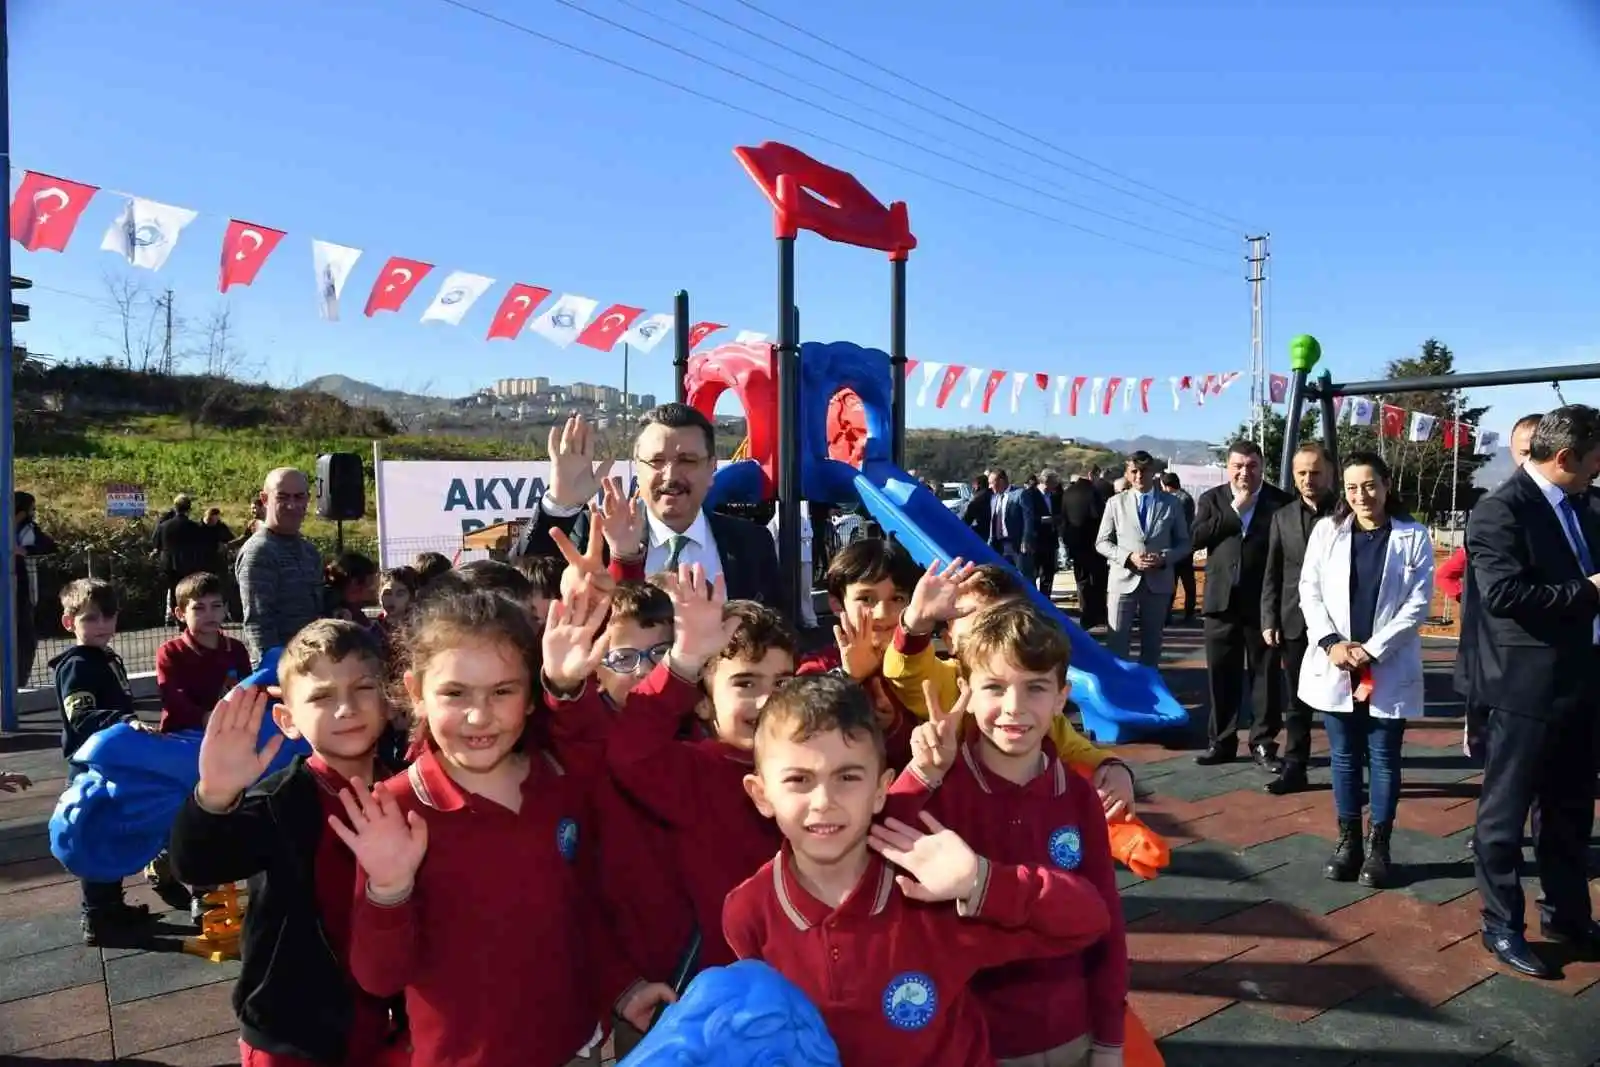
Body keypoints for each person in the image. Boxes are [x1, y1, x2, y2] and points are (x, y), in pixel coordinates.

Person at [338, 588, 675, 1066]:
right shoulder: (393, 809)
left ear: (531, 697)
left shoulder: (558, 784)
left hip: (574, 1051)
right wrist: (389, 889)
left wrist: (623, 989)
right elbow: (378, 977)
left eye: (503, 691)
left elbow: (579, 916)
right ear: (415, 694)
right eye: (455, 693)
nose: (479, 716)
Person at [721, 673, 1112, 1067]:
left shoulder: (928, 891)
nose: (824, 800)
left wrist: (981, 882)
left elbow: (1089, 920)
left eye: (847, 777)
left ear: (880, 790)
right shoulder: (748, 912)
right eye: (799, 780)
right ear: (761, 794)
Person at [890, 603, 1128, 1066]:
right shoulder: (941, 789)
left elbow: (1108, 929)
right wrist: (920, 776)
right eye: (995, 687)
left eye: (1035, 688)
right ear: (966, 692)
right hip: (973, 1044)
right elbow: (871, 850)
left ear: (1061, 698)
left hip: (1071, 1038)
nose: (1014, 708)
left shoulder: (1078, 798)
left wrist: (1110, 1041)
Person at [167, 621, 407, 1067]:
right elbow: (196, 864)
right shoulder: (281, 801)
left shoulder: (406, 790)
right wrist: (214, 796)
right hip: (291, 1028)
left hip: (384, 1022)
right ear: (288, 719)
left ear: (389, 700)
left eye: (362, 688)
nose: (345, 708)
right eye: (321, 696)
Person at [1464, 405, 1600, 978]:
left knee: (1569, 813)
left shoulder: (1588, 507)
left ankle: (1566, 913)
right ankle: (1502, 924)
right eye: (1595, 461)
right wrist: (1589, 591)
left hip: (1581, 685)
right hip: (1522, 692)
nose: (1599, 472)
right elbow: (1507, 598)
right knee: (1504, 817)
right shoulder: (1500, 512)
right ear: (1565, 458)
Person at [604, 583, 797, 972]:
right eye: (745, 683)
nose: (767, 700)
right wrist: (684, 662)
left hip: (815, 978)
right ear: (704, 702)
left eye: (782, 684)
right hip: (731, 989)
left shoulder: (817, 763)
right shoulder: (695, 771)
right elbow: (631, 753)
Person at [883, 561, 1136, 821]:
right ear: (950, 641)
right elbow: (907, 672)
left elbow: (1074, 748)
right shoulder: (950, 679)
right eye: (981, 628)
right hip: (953, 816)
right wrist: (916, 624)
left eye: (1006, 626)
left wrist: (1112, 766)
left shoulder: (1034, 707)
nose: (998, 640)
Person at [1296, 452, 1434, 889]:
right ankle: (1348, 842)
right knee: (1342, 757)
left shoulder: (1413, 536)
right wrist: (1331, 643)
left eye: (1370, 485)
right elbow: (1309, 590)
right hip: (1336, 662)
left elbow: (1417, 603)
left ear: (1387, 484)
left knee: (1384, 757)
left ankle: (1379, 847)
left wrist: (1372, 650)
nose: (1361, 495)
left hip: (1386, 664)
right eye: (1352, 487)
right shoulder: (1327, 532)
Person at [516, 407, 783, 606]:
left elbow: (777, 633)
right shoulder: (593, 534)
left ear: (712, 467)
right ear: (637, 467)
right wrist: (561, 504)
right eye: (656, 461)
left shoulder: (752, 542)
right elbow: (518, 587)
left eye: (687, 460)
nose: (670, 476)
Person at [49, 578, 152, 944]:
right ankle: (96, 915)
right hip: (90, 764)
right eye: (91, 618)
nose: (102, 625)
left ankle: (110, 905)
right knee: (93, 834)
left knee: (109, 831)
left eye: (108, 616)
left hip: (111, 758)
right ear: (69, 622)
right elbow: (81, 716)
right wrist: (123, 721)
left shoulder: (106, 657)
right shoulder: (76, 664)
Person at [1446, 413, 1540, 762]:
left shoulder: (1574, 509)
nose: (1532, 460)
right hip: (1495, 656)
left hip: (1546, 664)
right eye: (1526, 451)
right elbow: (1453, 575)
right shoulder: (1497, 510)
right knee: (1503, 774)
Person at [1191, 440, 1292, 767]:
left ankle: (1263, 743)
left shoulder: (1281, 502)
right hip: (1221, 602)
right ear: (1228, 467)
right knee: (1221, 676)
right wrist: (1237, 510)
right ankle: (1221, 741)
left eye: (1251, 466)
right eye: (1238, 466)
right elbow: (1198, 538)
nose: (1244, 472)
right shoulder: (1213, 499)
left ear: (1262, 467)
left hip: (1262, 605)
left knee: (1265, 677)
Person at [796, 538, 923, 769]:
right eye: (866, 599)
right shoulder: (818, 665)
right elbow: (797, 723)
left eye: (897, 599)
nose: (883, 613)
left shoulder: (919, 663)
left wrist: (894, 725)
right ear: (837, 604)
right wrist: (848, 676)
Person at [1259, 444, 1337, 795]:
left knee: (1348, 699)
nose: (1309, 479)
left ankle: (1353, 767)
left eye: (1316, 472)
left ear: (1330, 473)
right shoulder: (1282, 516)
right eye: (1302, 473)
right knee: (1297, 702)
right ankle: (1295, 767)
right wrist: (1268, 617)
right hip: (1294, 621)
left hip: (1340, 623)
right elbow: (1273, 572)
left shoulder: (1347, 512)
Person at [1095, 451, 1191, 667]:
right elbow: (1101, 542)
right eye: (1134, 471)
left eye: (1144, 471)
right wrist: (1128, 557)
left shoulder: (1171, 504)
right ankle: (1119, 693)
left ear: (1154, 473)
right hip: (1122, 581)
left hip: (1158, 582)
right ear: (1128, 474)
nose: (1139, 476)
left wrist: (1164, 558)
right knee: (1117, 643)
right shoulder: (1115, 503)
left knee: (1152, 645)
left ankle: (1149, 694)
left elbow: (1185, 543)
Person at [237, 469, 324, 662]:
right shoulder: (259, 552)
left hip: (311, 665)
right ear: (265, 499)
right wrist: (277, 673)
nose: (292, 505)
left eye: (299, 497)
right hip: (282, 674)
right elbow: (258, 623)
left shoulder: (309, 552)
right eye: (282, 497)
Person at [155, 572, 253, 734]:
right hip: (183, 736)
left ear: (225, 609)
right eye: (199, 608)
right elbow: (173, 698)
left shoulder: (236, 648)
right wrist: (206, 718)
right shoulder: (170, 652)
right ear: (180, 614)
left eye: (216, 606)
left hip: (229, 730)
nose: (209, 614)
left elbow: (247, 688)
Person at [153, 495, 220, 624]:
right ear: (189, 508)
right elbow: (203, 545)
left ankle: (175, 618)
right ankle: (187, 618)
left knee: (173, 591)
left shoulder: (164, 526)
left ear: (175, 507)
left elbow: (156, 543)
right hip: (189, 564)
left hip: (168, 564)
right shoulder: (194, 527)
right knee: (188, 592)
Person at [14, 490, 56, 686]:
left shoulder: (28, 528)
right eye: (31, 508)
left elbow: (49, 545)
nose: (33, 512)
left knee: (25, 636)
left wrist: (26, 551)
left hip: (22, 589)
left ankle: (19, 681)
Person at [1061, 471, 1108, 629]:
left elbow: (1063, 519)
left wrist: (1067, 541)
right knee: (1098, 580)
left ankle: (1085, 612)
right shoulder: (1092, 492)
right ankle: (1098, 613)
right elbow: (1098, 516)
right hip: (1093, 543)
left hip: (1075, 543)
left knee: (1081, 580)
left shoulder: (1067, 493)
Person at [1158, 472, 1197, 622]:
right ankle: (1186, 611)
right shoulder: (1184, 497)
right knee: (1184, 580)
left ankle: (1179, 613)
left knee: (1177, 580)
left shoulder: (1179, 500)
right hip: (1184, 545)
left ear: (1167, 486)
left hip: (1179, 546)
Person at [985, 468, 1037, 579]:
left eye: (991, 483)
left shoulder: (1020, 494)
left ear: (1001, 481)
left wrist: (1026, 540)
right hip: (1000, 545)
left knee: (1025, 577)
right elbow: (992, 522)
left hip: (1018, 545)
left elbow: (1028, 519)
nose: (989, 487)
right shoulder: (994, 499)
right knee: (1004, 578)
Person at [1033, 469, 1065, 599]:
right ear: (1047, 481)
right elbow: (1027, 516)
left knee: (1048, 573)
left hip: (1050, 540)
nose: (1055, 486)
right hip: (1036, 539)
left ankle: (1045, 599)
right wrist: (1042, 520)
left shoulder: (1054, 497)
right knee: (1034, 573)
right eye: (1054, 483)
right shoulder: (1031, 495)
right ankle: (1034, 599)